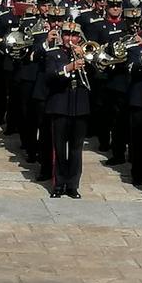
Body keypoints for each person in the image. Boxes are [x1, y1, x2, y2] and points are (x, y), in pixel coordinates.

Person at [46, 21, 91, 198]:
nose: (69, 39)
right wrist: (68, 67)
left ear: (79, 38)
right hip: (60, 105)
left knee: (76, 148)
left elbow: (97, 75)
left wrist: (86, 59)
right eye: (66, 35)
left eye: (73, 36)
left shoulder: (85, 53)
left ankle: (73, 184)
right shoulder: (54, 54)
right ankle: (59, 184)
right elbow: (49, 76)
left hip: (80, 105)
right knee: (59, 147)